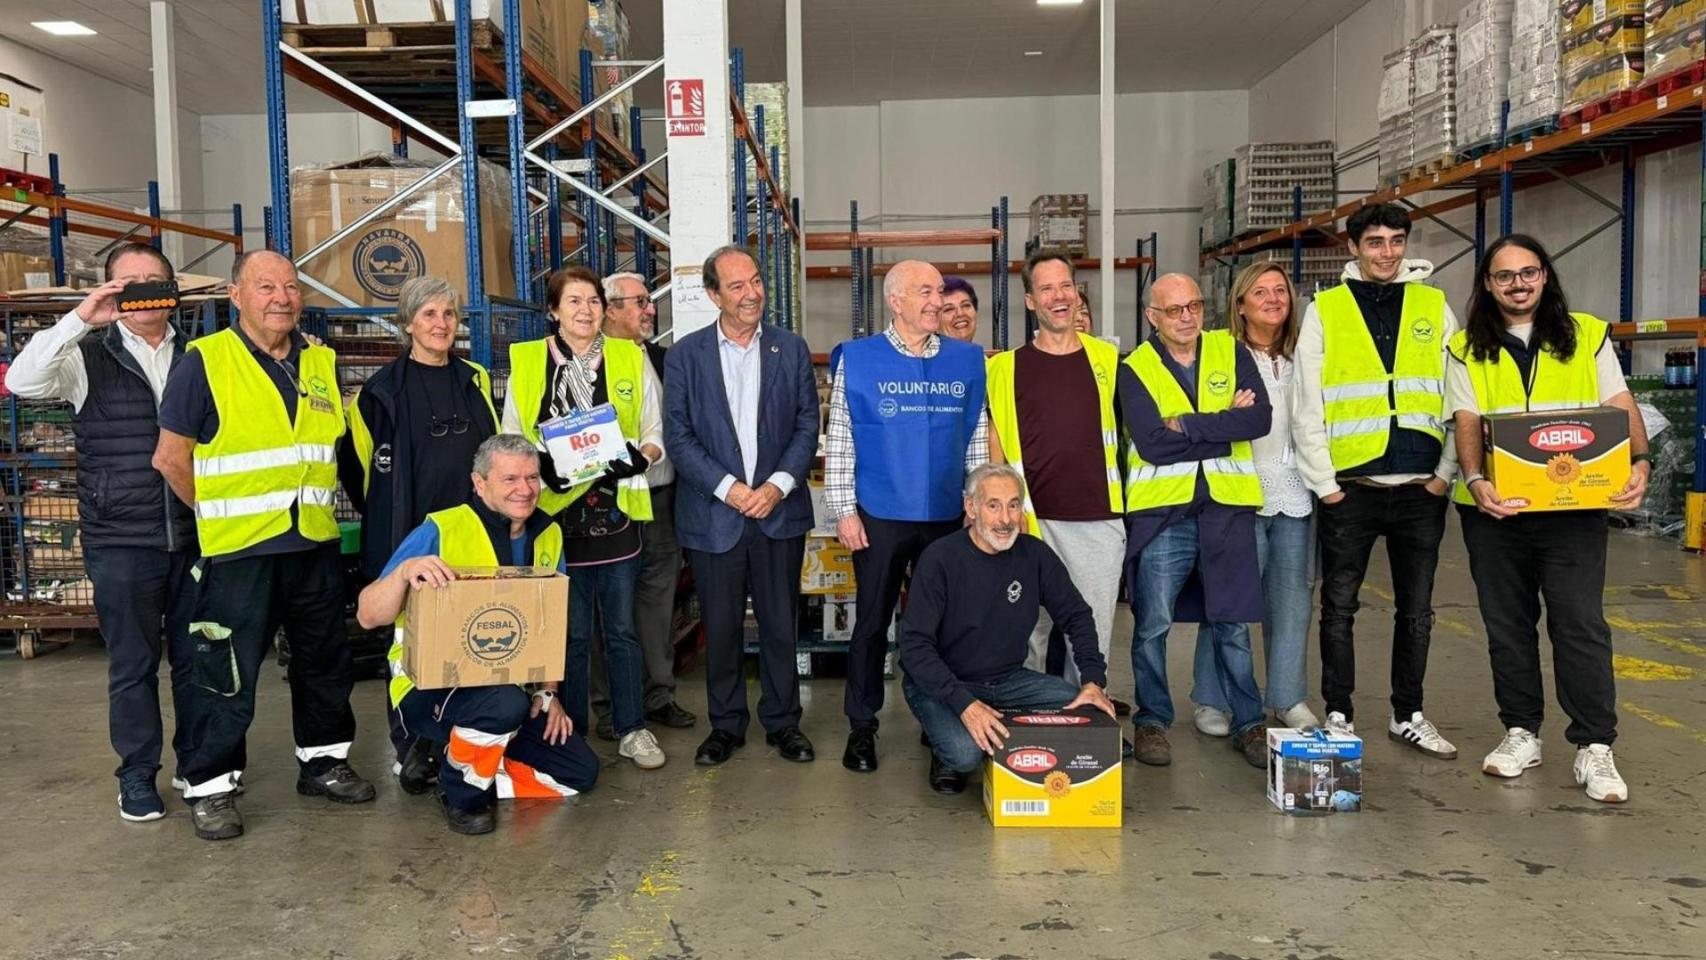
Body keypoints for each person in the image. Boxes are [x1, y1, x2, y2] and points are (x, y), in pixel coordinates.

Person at [153, 250, 372, 841]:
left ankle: (323, 761)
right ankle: (211, 784)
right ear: (236, 294)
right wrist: (222, 517)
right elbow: (171, 459)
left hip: (314, 544)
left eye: (290, 287)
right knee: (224, 670)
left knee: (325, 660)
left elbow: (333, 449)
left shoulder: (320, 362)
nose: (281, 297)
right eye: (266, 286)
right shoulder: (205, 362)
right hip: (239, 552)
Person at [1447, 234, 1648, 803]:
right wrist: (1475, 479)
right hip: (1495, 512)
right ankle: (1521, 732)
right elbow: (1465, 418)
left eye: (1528, 273)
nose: (1518, 284)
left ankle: (1594, 746)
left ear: (1544, 276)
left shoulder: (1586, 334)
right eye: (1505, 275)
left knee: (1579, 622)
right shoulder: (1466, 347)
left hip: (1573, 508)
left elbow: (1618, 402)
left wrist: (1639, 460)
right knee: (1507, 625)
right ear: (1488, 284)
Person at [5, 242, 196, 822]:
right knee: (133, 666)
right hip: (121, 539)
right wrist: (81, 318)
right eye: (127, 281)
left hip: (196, 534)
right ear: (110, 289)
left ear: (171, 289)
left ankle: (199, 767)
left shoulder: (203, 355)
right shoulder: (86, 357)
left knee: (197, 661)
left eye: (152, 279)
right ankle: (137, 775)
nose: (141, 290)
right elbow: (21, 380)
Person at [354, 434, 599, 834]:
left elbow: (548, 626)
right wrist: (403, 572)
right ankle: (462, 791)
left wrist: (548, 693)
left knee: (578, 772)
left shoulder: (548, 535)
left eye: (533, 478)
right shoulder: (441, 528)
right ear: (479, 483)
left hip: (508, 696)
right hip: (427, 690)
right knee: (503, 704)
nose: (525, 489)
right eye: (510, 479)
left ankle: (454, 760)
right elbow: (367, 615)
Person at [1291, 202, 1460, 759]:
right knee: (1339, 606)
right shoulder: (1326, 309)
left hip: (1421, 487)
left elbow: (1460, 393)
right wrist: (1326, 486)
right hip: (1353, 488)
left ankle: (1408, 713)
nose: (1386, 252)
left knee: (1418, 609)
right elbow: (1306, 403)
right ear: (1353, 248)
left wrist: (1445, 475)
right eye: (1375, 242)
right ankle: (1339, 711)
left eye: (1395, 241)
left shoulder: (1434, 305)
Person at [502, 264, 668, 771]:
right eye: (573, 301)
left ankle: (633, 728)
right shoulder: (529, 362)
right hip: (555, 521)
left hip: (614, 517)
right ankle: (568, 729)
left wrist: (643, 456)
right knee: (569, 635)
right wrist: (541, 468)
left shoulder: (628, 357)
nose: (584, 311)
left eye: (593, 301)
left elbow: (654, 430)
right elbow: (513, 434)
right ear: (553, 311)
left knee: (620, 630)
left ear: (605, 308)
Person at [825, 259, 989, 773]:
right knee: (871, 623)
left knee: (942, 627)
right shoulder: (859, 359)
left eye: (940, 291)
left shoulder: (966, 361)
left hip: (945, 515)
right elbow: (842, 438)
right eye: (925, 291)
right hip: (879, 514)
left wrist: (979, 504)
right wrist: (843, 510)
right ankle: (862, 726)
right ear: (895, 301)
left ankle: (939, 726)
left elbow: (978, 439)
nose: (937, 300)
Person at [338, 275, 499, 793]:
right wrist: (392, 527)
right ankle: (413, 747)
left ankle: (462, 741)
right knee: (406, 648)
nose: (441, 324)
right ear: (408, 323)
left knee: (469, 642)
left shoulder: (474, 380)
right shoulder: (379, 394)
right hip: (405, 541)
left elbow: (493, 456)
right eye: (428, 314)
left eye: (449, 314)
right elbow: (358, 469)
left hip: (469, 541)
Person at [665, 246, 820, 766]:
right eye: (737, 286)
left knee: (781, 624)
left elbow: (806, 426)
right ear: (714, 295)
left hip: (778, 513)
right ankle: (726, 725)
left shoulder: (790, 349)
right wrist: (729, 488)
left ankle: (783, 724)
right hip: (715, 517)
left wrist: (776, 485)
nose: (751, 293)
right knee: (723, 627)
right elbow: (679, 437)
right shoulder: (686, 356)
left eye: (755, 281)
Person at [1119, 273, 1270, 770]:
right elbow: (1151, 443)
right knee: (1153, 625)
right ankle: (1152, 721)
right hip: (1164, 515)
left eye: (1194, 306)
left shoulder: (1232, 350)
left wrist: (1186, 423)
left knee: (1231, 622)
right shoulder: (1135, 367)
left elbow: (1258, 420)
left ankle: (1250, 722)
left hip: (1225, 507)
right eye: (1174, 310)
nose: (1186, 317)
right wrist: (1223, 422)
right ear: (1152, 317)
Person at [900, 463, 1115, 793]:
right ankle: (944, 741)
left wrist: (1092, 680)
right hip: (944, 683)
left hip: (1009, 681)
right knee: (965, 755)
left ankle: (989, 722)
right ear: (971, 508)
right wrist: (963, 704)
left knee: (1082, 709)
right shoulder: (940, 559)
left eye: (1014, 505)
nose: (1005, 519)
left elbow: (1077, 616)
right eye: (993, 506)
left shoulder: (1035, 555)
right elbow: (914, 646)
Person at [984, 249, 1125, 699]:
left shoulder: (1109, 359)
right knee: (1024, 632)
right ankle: (1023, 718)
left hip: (1097, 519)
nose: (1058, 297)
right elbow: (996, 447)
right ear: (1031, 302)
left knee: (1092, 635)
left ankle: (1085, 717)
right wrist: (1006, 515)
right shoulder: (1003, 368)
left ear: (1077, 293)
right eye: (1046, 288)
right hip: (1030, 522)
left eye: (1065, 286)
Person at [1192, 262, 1320, 733]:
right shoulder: (1220, 354)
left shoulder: (1306, 354)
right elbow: (1202, 417)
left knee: (1292, 600)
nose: (1272, 299)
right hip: (1240, 492)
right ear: (1240, 304)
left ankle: (1288, 698)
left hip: (1297, 491)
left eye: (1280, 290)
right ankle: (1212, 698)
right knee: (1229, 602)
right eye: (1260, 292)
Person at [587, 270, 694, 739]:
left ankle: (658, 693)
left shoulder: (663, 360)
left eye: (649, 301)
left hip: (662, 499)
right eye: (639, 301)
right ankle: (610, 704)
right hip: (608, 501)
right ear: (609, 309)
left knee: (656, 599)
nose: (649, 309)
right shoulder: (586, 362)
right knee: (607, 606)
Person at [940, 276, 980, 344]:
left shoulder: (981, 354)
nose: (960, 313)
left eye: (965, 305)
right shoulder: (921, 354)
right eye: (949, 309)